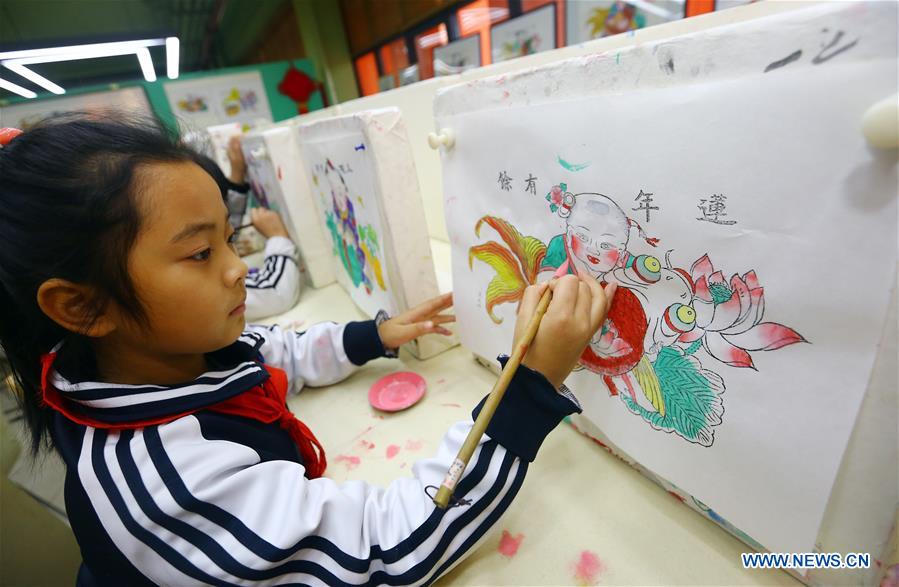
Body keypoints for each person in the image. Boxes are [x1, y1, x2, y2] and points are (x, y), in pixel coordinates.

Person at [0, 115, 615, 586]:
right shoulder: (170, 493)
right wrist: (531, 383)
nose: (239, 269)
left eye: (230, 239)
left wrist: (374, 336)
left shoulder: (156, 359)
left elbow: (272, 352)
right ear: (83, 307)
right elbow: (384, 549)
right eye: (200, 253)